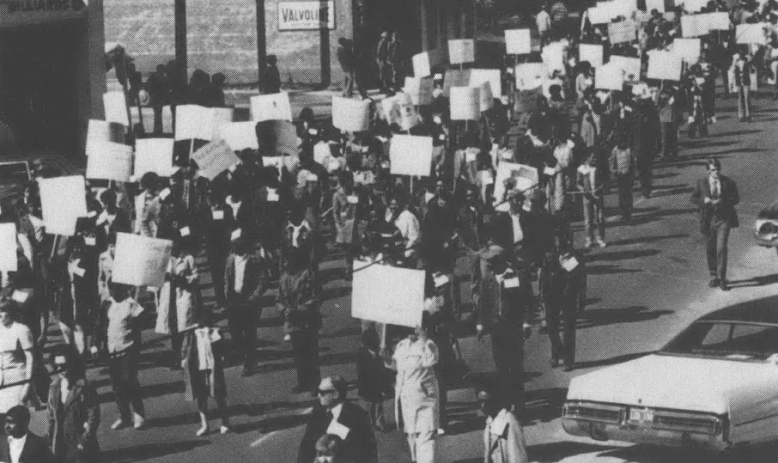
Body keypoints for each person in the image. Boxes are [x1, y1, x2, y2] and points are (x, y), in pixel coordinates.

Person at [473, 253, 532, 412]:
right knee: (501, 366)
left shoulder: (515, 277)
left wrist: (526, 322)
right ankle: (507, 400)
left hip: (513, 327)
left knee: (516, 365)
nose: (495, 269)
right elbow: (484, 304)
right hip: (496, 328)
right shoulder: (488, 280)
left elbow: (525, 301)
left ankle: (519, 402)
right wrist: (480, 325)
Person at [386, 316, 440, 463]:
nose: (413, 331)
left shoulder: (429, 344)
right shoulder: (402, 345)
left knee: (425, 436)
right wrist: (386, 359)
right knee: (411, 436)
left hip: (424, 399)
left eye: (417, 328)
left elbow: (431, 360)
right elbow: (397, 366)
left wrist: (423, 340)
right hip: (405, 400)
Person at [297, 375, 377, 463]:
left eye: (322, 392)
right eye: (317, 392)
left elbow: (368, 450)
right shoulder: (318, 413)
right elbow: (306, 446)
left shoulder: (356, 414)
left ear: (335, 394)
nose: (318, 396)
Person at [223, 234, 269, 376]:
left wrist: (255, 296)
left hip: (249, 300)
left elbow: (263, 280)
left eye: (237, 244)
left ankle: (249, 362)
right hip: (234, 299)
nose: (234, 247)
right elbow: (227, 277)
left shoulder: (255, 259)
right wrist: (227, 294)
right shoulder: (231, 259)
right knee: (235, 332)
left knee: (249, 332)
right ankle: (247, 354)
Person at [101, 283, 145, 430]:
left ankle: (139, 414)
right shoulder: (107, 304)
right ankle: (124, 416)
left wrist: (136, 349)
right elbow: (100, 327)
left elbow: (141, 325)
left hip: (128, 350)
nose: (112, 292)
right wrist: (97, 344)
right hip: (112, 351)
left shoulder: (131, 304)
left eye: (115, 289)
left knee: (129, 382)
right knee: (117, 386)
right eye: (110, 288)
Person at [690, 159, 739, 291]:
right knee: (710, 249)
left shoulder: (728, 182)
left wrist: (722, 201)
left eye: (717, 169)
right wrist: (703, 201)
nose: (716, 172)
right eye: (713, 170)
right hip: (708, 220)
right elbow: (693, 198)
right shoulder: (702, 183)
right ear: (708, 171)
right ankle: (714, 276)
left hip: (724, 219)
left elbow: (736, 199)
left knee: (721, 248)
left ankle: (722, 278)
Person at [47, 345, 100, 463]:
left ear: (72, 364)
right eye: (57, 366)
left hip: (80, 441)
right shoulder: (54, 387)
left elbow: (93, 416)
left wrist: (84, 440)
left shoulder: (85, 386)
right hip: (60, 442)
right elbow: (50, 417)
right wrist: (50, 441)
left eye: (64, 365)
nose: (60, 369)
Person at [278, 248, 321, 393]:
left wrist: (300, 310)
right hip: (292, 322)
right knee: (298, 355)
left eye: (287, 260)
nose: (284, 263)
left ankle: (315, 384)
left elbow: (316, 298)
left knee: (311, 354)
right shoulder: (284, 277)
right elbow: (279, 299)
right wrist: (284, 310)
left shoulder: (308, 275)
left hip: (308, 321)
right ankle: (303, 382)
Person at [181, 314, 231, 436]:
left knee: (218, 395)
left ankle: (225, 423)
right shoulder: (191, 335)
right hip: (198, 369)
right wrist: (184, 359)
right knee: (201, 397)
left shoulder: (215, 333)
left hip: (213, 368)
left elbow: (223, 349)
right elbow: (184, 350)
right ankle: (205, 425)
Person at [544, 230, 586, 371]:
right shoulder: (549, 256)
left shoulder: (574, 257)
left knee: (568, 329)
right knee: (551, 327)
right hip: (551, 295)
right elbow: (544, 275)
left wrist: (582, 299)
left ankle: (567, 360)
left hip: (568, 296)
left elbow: (581, 280)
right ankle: (558, 352)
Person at [477, 387, 529, 463]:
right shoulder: (490, 421)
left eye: (486, 402)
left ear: (496, 401)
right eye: (480, 402)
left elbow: (517, 457)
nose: (482, 406)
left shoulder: (509, 423)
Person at [0, 299, 33, 416]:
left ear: (11, 312)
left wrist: (27, 384)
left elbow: (30, 358)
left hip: (17, 380)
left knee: (16, 417)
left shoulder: (22, 329)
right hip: (1, 381)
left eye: (3, 311)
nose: (0, 314)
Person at [356, 328, 388, 431]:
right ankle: (371, 423)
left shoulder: (380, 353)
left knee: (378, 405)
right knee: (369, 406)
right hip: (367, 384)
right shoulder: (361, 355)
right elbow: (361, 372)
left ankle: (379, 422)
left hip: (377, 384)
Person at [577, 151, 606, 248]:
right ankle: (589, 239)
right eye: (593, 158)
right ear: (587, 158)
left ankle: (600, 238)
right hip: (587, 198)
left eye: (596, 158)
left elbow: (604, 181)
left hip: (598, 196)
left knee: (600, 218)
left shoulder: (598, 168)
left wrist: (601, 188)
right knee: (588, 220)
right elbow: (578, 183)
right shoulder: (581, 169)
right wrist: (582, 189)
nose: (595, 160)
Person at [609, 136, 635, 221]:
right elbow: (612, 161)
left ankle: (628, 212)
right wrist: (614, 171)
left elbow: (632, 163)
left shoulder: (629, 150)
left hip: (628, 175)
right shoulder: (615, 150)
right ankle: (624, 212)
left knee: (628, 193)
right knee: (622, 194)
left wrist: (632, 174)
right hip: (620, 176)